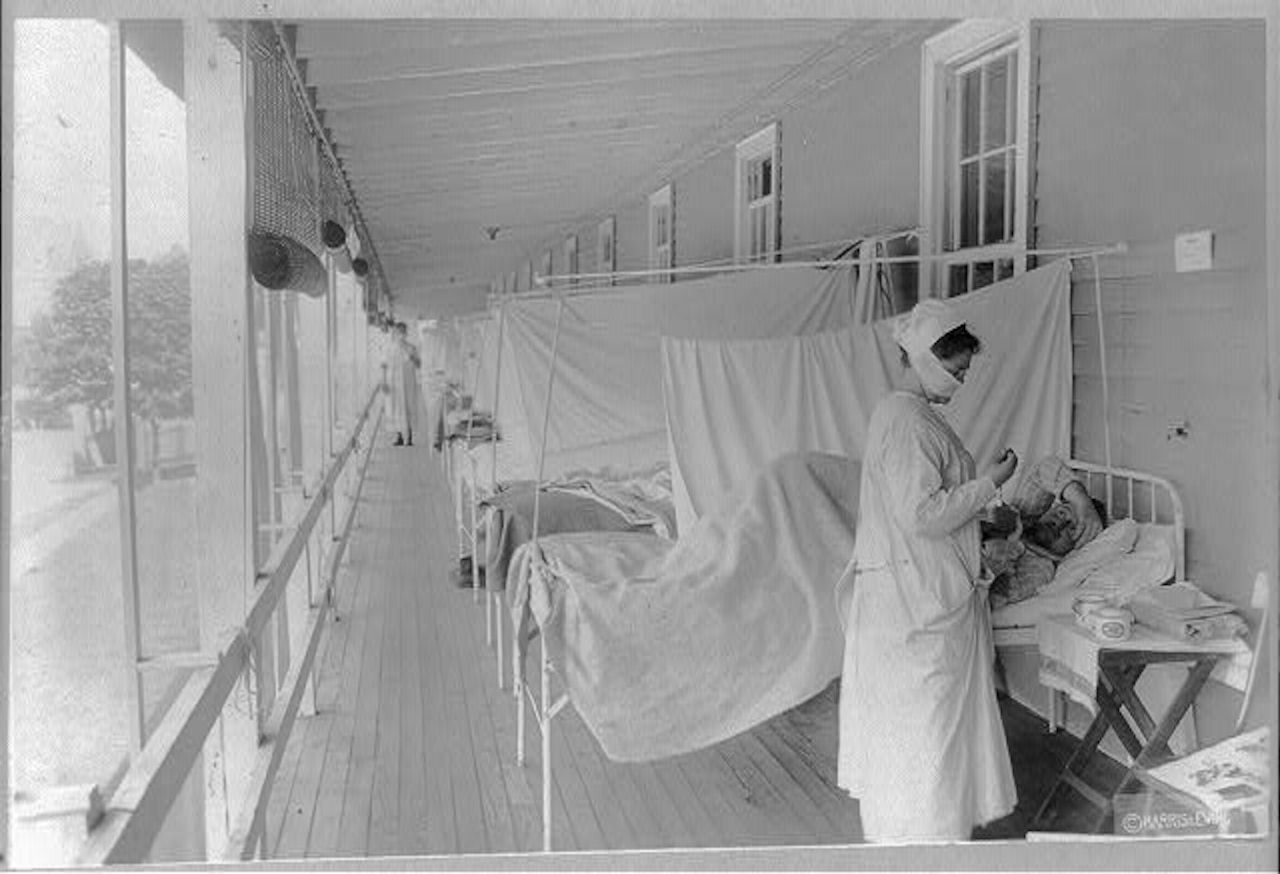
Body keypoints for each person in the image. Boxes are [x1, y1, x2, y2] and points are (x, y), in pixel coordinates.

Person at [836, 298, 1019, 842]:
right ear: (932, 361)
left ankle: (926, 841)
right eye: (958, 371)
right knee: (924, 733)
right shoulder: (906, 419)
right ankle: (924, 846)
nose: (962, 383)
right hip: (914, 605)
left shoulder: (910, 416)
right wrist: (991, 482)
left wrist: (981, 518)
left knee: (921, 734)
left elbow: (923, 506)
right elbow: (921, 515)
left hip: (912, 593)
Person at [981, 457, 1108, 608]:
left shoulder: (1040, 569)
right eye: (1062, 512)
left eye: (1072, 528)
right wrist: (1082, 502)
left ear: (1077, 546)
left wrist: (1006, 550)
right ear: (1053, 506)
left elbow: (995, 597)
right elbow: (1044, 468)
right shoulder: (1026, 514)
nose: (1058, 523)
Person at [387, 322, 422, 446]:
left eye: (403, 331)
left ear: (406, 333)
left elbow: (419, 364)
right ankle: (400, 437)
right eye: (398, 332)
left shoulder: (412, 348)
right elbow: (387, 366)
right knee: (397, 409)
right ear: (395, 333)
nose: (400, 334)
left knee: (409, 408)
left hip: (409, 385)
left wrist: (412, 358)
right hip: (396, 385)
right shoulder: (391, 349)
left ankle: (410, 437)